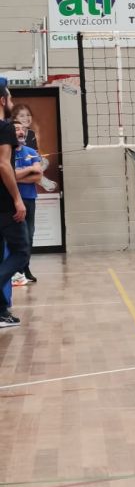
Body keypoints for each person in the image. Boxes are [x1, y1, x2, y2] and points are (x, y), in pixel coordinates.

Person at [0, 79, 29, 327]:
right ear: (2, 100)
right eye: (9, 98)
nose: (11, 102)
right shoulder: (5, 128)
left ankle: (1, 313)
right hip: (4, 203)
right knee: (21, 252)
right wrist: (17, 199)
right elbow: (3, 165)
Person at [11, 124, 42, 286]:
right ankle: (15, 271)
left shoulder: (31, 152)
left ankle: (25, 269)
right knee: (16, 237)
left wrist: (16, 176)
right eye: (16, 129)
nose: (21, 131)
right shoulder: (6, 153)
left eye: (22, 129)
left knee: (29, 235)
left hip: (29, 199)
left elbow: (37, 177)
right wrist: (30, 169)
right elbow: (8, 176)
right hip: (11, 201)